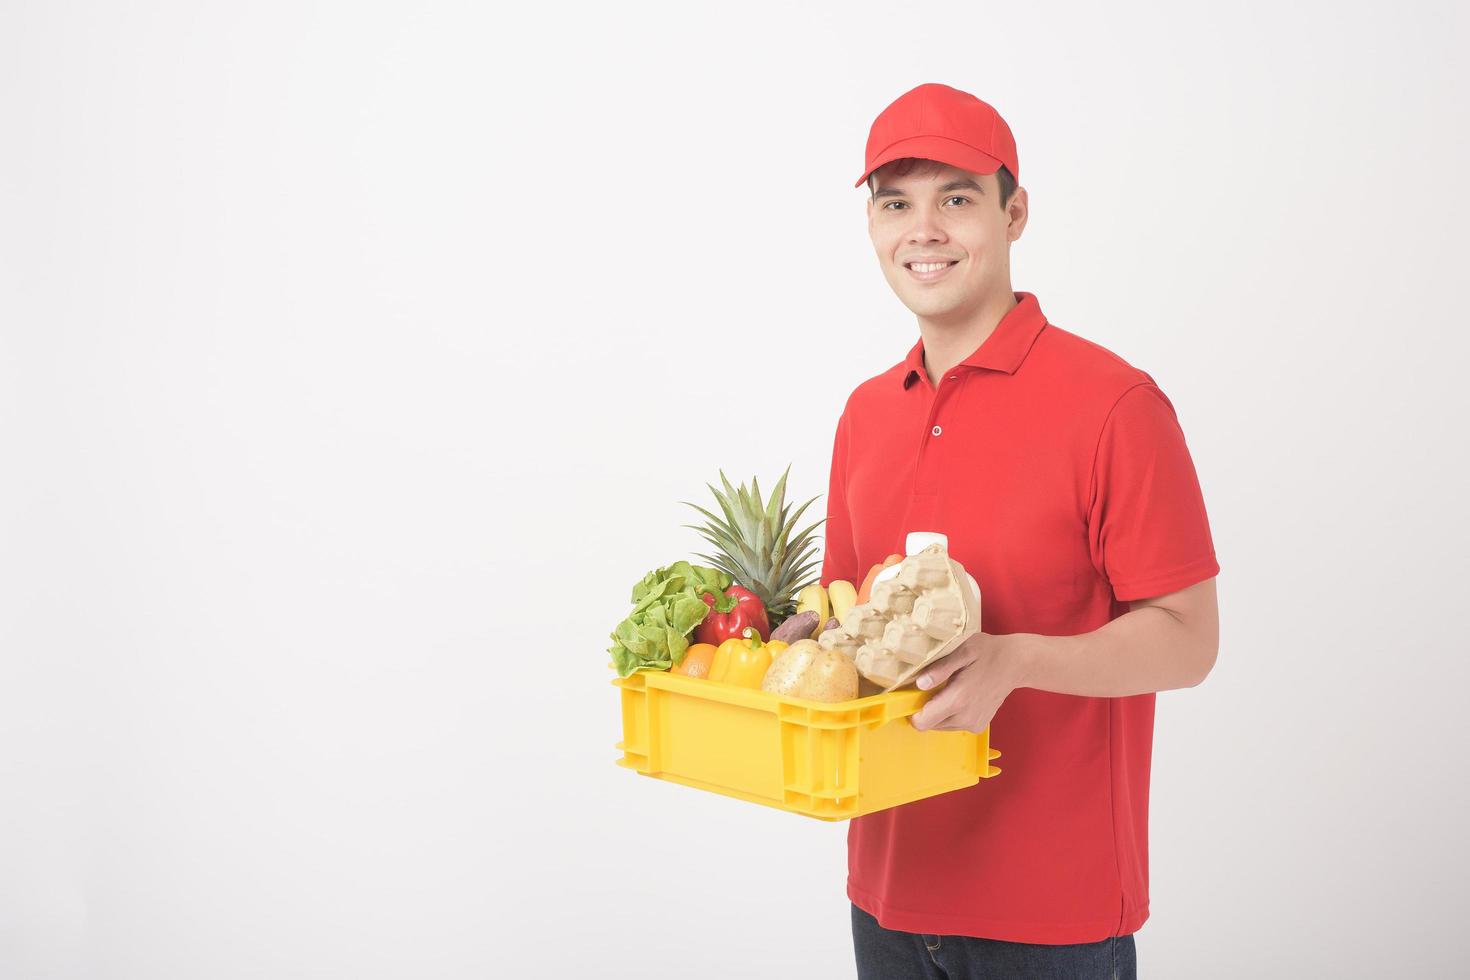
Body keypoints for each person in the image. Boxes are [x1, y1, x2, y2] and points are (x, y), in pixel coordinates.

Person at [825, 83, 1221, 980]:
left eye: (955, 198)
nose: (922, 230)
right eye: (896, 204)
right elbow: (844, 628)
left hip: (1053, 911)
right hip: (883, 895)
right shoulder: (863, 416)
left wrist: (1018, 661)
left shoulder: (1113, 405)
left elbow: (1191, 640)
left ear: (1016, 212)